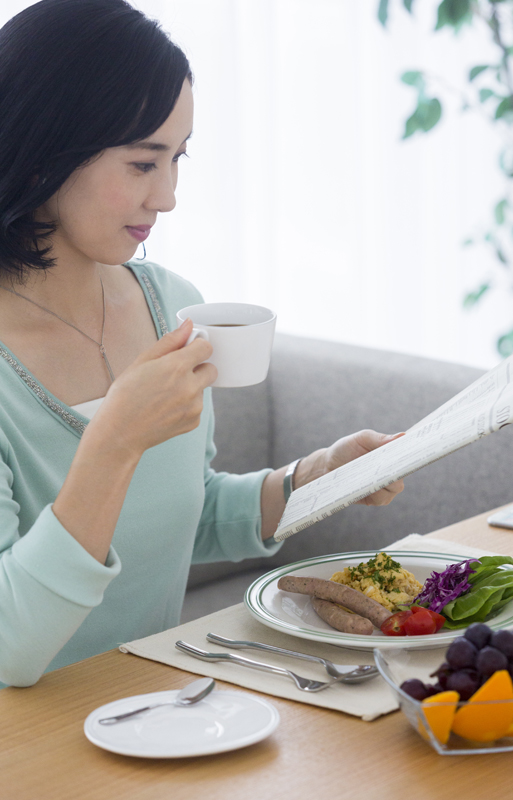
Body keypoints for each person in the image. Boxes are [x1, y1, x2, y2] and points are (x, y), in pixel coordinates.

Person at [0, 0, 404, 688]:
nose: (168, 197)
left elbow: (190, 507)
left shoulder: (171, 305)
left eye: (177, 159)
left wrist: (312, 478)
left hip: (161, 714)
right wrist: (115, 441)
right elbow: (9, 645)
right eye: (141, 163)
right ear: (46, 149)